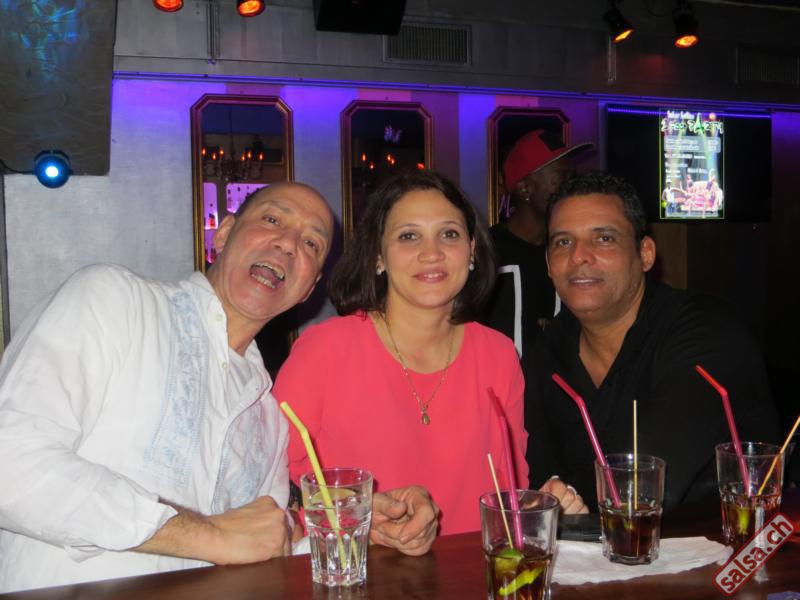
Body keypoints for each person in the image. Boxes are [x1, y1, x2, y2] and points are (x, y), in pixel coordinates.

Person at [0, 182, 437, 593]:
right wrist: (208, 535)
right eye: (272, 220)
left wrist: (360, 529)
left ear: (309, 288)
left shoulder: (268, 416)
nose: (288, 243)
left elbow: (259, 548)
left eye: (311, 243)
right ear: (224, 234)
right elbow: (11, 466)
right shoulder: (115, 302)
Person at [274, 170, 587, 538]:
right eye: (409, 236)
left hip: (474, 568)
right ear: (378, 256)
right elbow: (275, 492)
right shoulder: (322, 351)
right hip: (359, 567)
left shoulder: (499, 356)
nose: (432, 253)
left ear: (472, 250)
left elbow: (508, 495)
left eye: (449, 234)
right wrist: (355, 517)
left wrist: (542, 505)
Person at [523, 172, 781, 510]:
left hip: (734, 539)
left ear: (645, 254)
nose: (578, 256)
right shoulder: (547, 351)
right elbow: (534, 478)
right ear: (548, 264)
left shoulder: (706, 332)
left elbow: (647, 484)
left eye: (604, 238)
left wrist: (562, 497)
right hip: (592, 543)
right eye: (563, 242)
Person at [483, 130, 591, 357]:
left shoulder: (573, 253)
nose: (571, 189)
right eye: (561, 179)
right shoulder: (487, 252)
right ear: (525, 188)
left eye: (572, 178)